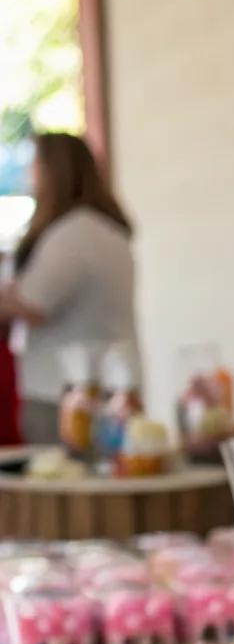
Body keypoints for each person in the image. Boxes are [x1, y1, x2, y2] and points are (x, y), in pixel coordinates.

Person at [0, 132, 140, 444]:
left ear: (54, 170)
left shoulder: (72, 233)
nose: (28, 174)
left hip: (66, 392)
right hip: (110, 382)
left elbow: (34, 304)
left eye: (34, 164)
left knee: (63, 482)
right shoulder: (108, 231)